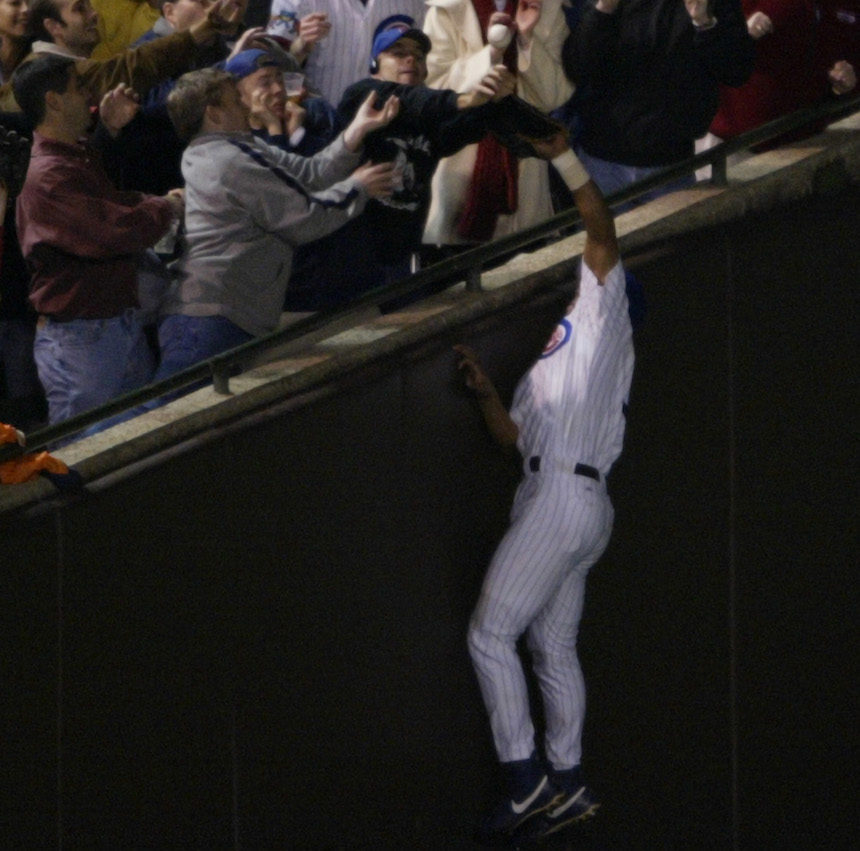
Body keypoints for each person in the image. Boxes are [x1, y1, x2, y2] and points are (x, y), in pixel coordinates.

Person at [454, 134, 634, 844]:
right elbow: (515, 441)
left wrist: (565, 159)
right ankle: (567, 778)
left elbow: (602, 230)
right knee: (552, 645)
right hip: (565, 495)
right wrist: (488, 394)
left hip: (564, 498)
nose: (590, 272)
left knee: (490, 633)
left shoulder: (604, 315)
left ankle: (524, 778)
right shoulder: (560, 350)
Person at [151, 67, 399, 381]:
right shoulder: (228, 160)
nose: (244, 105)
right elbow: (304, 219)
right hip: (209, 319)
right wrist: (357, 188)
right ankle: (81, 434)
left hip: (216, 316)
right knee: (160, 418)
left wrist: (356, 132)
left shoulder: (236, 148)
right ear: (213, 113)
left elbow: (309, 174)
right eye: (235, 100)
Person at [285, 14, 517, 310]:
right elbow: (404, 98)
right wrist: (464, 99)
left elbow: (467, 126)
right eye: (398, 53)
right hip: (348, 255)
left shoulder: (427, 118)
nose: (411, 60)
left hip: (400, 255)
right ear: (375, 65)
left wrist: (497, 97)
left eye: (419, 56)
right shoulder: (362, 96)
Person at [13, 54, 184, 427]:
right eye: (79, 87)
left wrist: (155, 202)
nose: (90, 94)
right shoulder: (47, 176)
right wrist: (166, 208)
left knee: (140, 445)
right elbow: (110, 229)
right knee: (87, 457)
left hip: (115, 328)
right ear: (53, 101)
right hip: (83, 345)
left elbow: (112, 204)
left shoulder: (75, 158)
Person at [562, 0, 755, 201]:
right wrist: (603, 10)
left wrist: (704, 23)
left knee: (671, 232)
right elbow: (576, 68)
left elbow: (737, 70)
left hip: (671, 162)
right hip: (601, 160)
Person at [421, 0, 573, 246]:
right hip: (459, 175)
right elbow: (433, 91)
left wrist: (526, 39)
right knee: (458, 279)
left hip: (526, 174)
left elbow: (555, 95)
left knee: (528, 272)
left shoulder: (548, 8)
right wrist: (491, 54)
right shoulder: (444, 9)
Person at [0, 0, 246, 110]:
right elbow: (130, 68)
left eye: (89, 5)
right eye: (80, 9)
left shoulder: (61, 64)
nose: (94, 14)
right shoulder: (46, 72)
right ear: (53, 26)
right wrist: (203, 29)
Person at [266, 0, 427, 105]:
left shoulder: (416, 3)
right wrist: (300, 48)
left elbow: (425, 65)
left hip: (389, 123)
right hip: (319, 127)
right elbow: (271, 66)